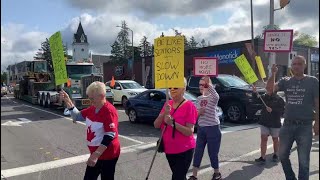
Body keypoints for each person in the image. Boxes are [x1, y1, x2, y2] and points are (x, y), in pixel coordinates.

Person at [266, 55, 319, 180]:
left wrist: (317, 122)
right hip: (288, 125)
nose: (296, 66)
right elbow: (269, 90)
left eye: (299, 64)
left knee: (304, 161)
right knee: (282, 155)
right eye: (294, 64)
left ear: (304, 65)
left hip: (305, 126)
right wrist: (273, 73)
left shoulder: (313, 81)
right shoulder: (286, 81)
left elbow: (317, 102)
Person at [60, 81, 120, 180]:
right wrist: (67, 100)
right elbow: (77, 116)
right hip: (95, 153)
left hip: (108, 154)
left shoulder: (109, 111)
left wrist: (95, 155)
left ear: (102, 96)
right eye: (89, 97)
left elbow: (110, 135)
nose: (90, 100)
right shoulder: (93, 108)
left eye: (92, 98)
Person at [154, 78, 198, 180]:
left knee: (177, 177)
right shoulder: (167, 104)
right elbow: (156, 125)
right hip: (169, 150)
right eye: (170, 87)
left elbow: (189, 131)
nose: (172, 89)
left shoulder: (189, 106)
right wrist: (163, 114)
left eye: (176, 87)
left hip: (184, 150)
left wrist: (173, 123)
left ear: (183, 89)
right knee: (180, 176)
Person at [188, 76, 222, 180]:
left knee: (213, 153)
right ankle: (194, 175)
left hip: (213, 128)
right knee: (198, 151)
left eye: (204, 84)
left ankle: (217, 173)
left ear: (209, 85)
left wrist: (208, 83)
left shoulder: (213, 97)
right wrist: (199, 112)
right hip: (202, 129)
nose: (201, 87)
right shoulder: (198, 99)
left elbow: (216, 95)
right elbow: (195, 115)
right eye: (200, 85)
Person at [253, 85, 285, 164]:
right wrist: (254, 92)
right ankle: (263, 157)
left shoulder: (279, 99)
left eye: (269, 88)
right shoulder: (264, 97)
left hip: (275, 123)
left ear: (274, 89)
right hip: (264, 122)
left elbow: (282, 111)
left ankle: (276, 154)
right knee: (264, 138)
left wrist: (273, 110)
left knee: (275, 139)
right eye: (267, 87)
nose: (267, 89)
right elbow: (256, 100)